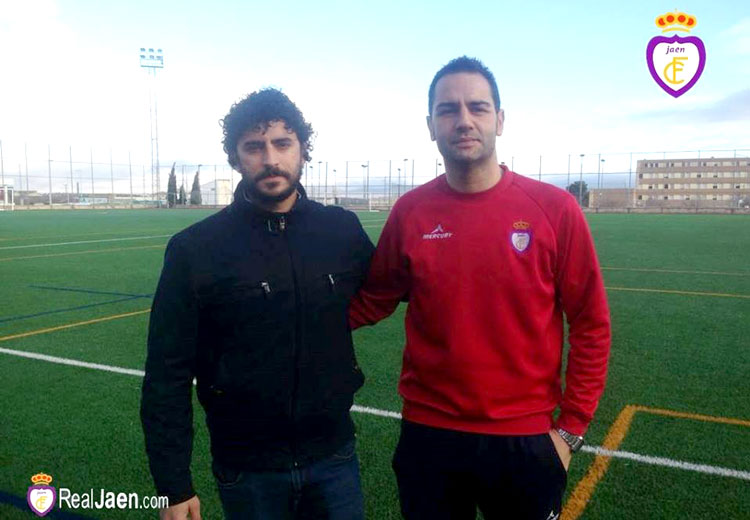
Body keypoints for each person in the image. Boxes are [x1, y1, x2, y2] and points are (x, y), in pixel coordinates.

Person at [349, 56, 611, 520]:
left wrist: (569, 431)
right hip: (428, 435)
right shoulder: (411, 212)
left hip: (525, 440)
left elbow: (591, 324)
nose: (463, 120)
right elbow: (373, 300)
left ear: (500, 120)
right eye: (448, 110)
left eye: (478, 107)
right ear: (430, 125)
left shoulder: (555, 209)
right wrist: (290, 308)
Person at [141, 88, 374, 520]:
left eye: (282, 143)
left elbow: (399, 285)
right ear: (235, 157)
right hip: (247, 470)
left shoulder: (341, 231)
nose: (270, 159)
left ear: (303, 150)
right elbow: (166, 373)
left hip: (335, 458)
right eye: (254, 147)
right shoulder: (195, 249)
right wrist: (172, 485)